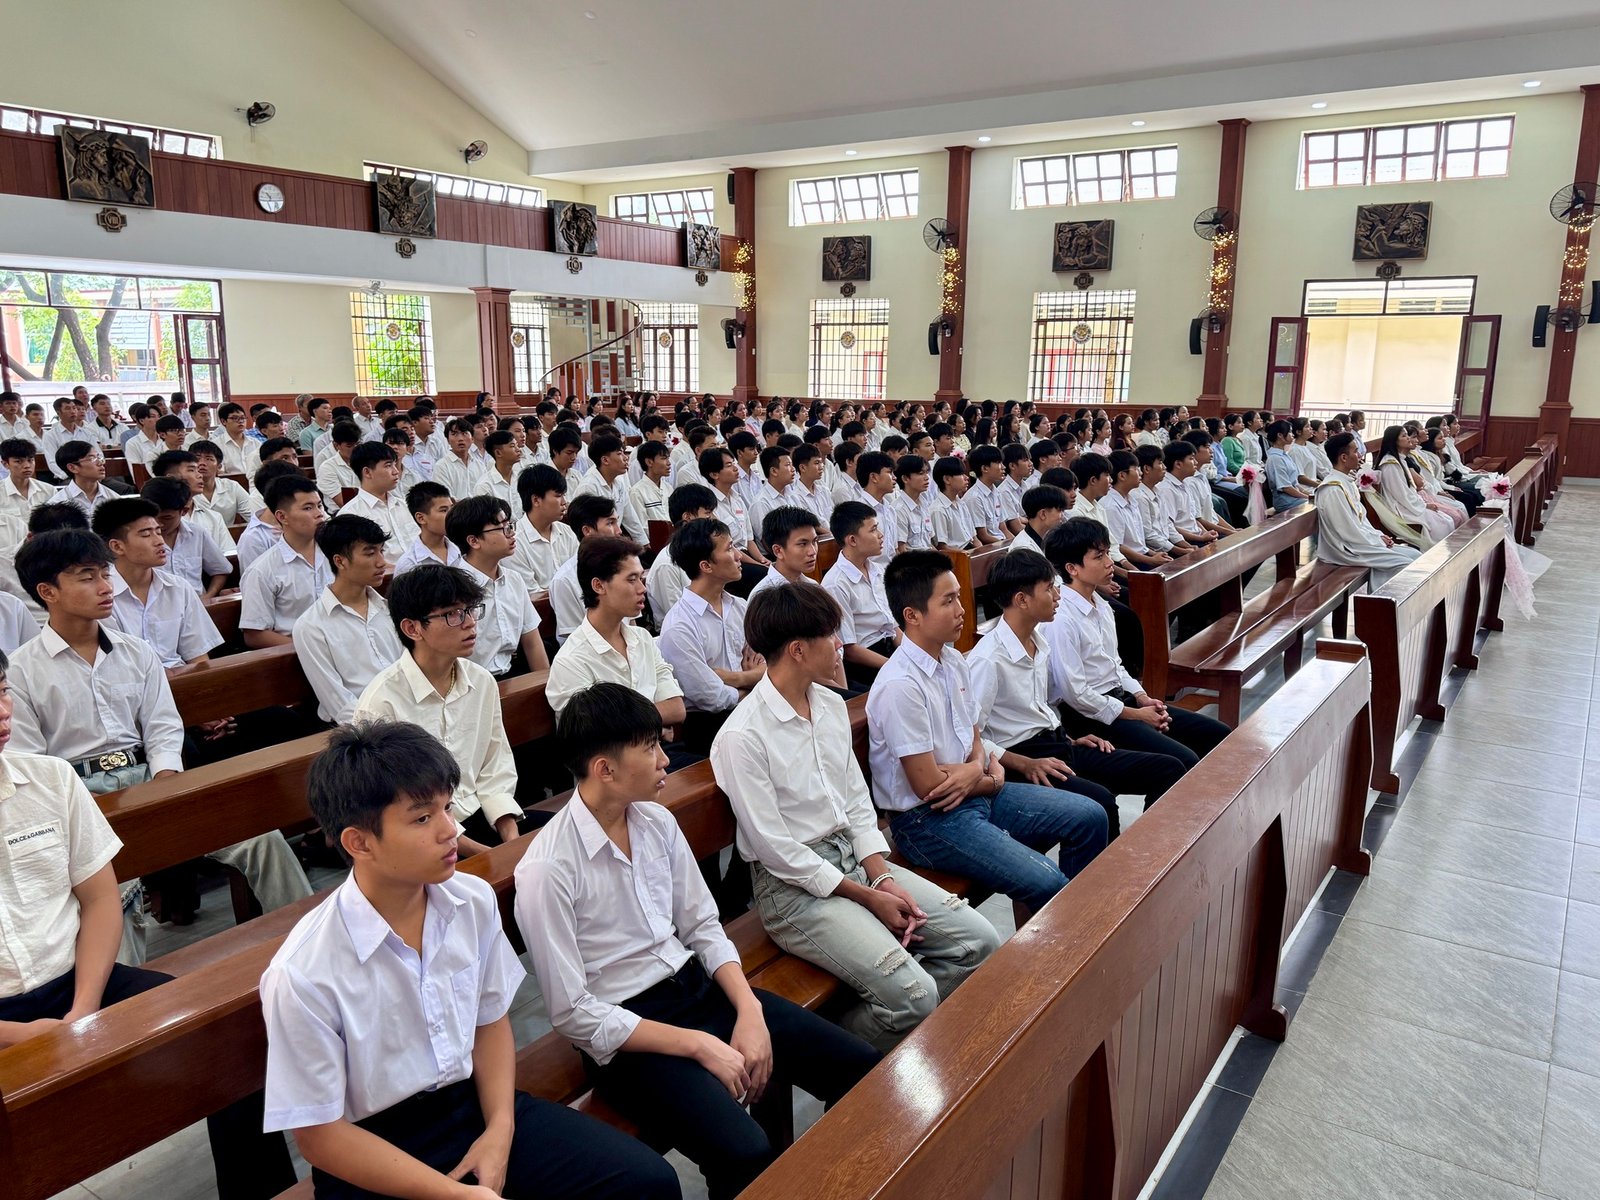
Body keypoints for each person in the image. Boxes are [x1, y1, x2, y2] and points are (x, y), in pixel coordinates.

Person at [260, 720, 679, 1200]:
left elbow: (489, 1020)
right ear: (359, 842)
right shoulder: (304, 971)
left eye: (447, 807)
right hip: (371, 1148)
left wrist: (500, 1129)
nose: (449, 831)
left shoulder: (471, 900)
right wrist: (456, 1194)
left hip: (473, 1106)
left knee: (648, 1183)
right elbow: (320, 1137)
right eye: (422, 819)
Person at [515, 683, 880, 1200]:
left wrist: (748, 1010)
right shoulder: (548, 868)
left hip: (695, 989)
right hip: (628, 1033)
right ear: (605, 769)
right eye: (650, 748)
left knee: (860, 1068)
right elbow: (573, 1012)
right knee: (744, 1151)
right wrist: (700, 1044)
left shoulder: (656, 821)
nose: (666, 759)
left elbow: (703, 927)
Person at [714, 583, 998, 1050]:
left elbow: (856, 803)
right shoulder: (742, 736)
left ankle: (895, 1045)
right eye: (831, 635)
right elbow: (775, 850)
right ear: (798, 650)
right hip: (792, 889)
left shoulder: (828, 704)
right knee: (914, 996)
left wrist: (881, 878)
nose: (840, 645)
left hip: (855, 860)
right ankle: (840, 1056)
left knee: (979, 943)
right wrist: (868, 897)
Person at [9, 528, 312, 938]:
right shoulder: (21, 671)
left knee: (260, 839)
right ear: (48, 592)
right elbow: (31, 760)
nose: (106, 587)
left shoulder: (136, 652)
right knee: (115, 894)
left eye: (105, 574)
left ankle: (306, 939)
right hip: (81, 797)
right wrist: (83, 807)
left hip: (149, 779)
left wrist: (166, 781)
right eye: (87, 577)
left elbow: (163, 726)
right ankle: (122, 981)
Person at [865, 551, 1108, 916]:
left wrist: (974, 769)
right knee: (1047, 881)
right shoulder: (901, 685)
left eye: (959, 597)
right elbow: (928, 786)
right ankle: (1063, 944)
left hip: (972, 793)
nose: (962, 610)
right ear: (912, 615)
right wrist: (989, 779)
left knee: (1090, 815)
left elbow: (974, 737)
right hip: (927, 821)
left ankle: (1076, 931)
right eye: (948, 601)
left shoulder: (953, 660)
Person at [968, 551, 1185, 839]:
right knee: (1100, 802)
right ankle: (1111, 869)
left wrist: (1070, 738)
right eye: (1049, 589)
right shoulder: (988, 660)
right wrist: (1025, 764)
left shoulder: (1038, 641)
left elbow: (1038, 709)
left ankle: (1152, 854)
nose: (1058, 596)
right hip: (1023, 758)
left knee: (1168, 769)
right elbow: (971, 739)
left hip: (1057, 744)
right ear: (1022, 600)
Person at [355, 565, 522, 847]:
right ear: (412, 628)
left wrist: (510, 837)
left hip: (480, 815)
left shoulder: (481, 681)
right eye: (452, 614)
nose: (470, 623)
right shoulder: (381, 703)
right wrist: (483, 854)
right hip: (420, 837)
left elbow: (495, 766)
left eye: (471, 610)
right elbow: (400, 805)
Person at [1044, 519, 1231, 767]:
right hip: (1091, 716)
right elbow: (1076, 694)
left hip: (1122, 701)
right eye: (1099, 557)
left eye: (1107, 553)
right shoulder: (1061, 619)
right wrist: (1137, 715)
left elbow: (1115, 665)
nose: (1109, 562)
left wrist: (1142, 697)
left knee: (1217, 734)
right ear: (1072, 568)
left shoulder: (1100, 605)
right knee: (1181, 761)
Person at [546, 536, 694, 766]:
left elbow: (676, 709)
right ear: (599, 586)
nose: (642, 588)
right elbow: (596, 738)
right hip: (613, 771)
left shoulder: (642, 638)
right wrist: (655, 725)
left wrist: (631, 724)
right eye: (631, 580)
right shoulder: (571, 660)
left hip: (660, 753)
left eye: (641, 578)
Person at [657, 519, 761, 752]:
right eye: (729, 549)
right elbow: (710, 695)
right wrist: (754, 684)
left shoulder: (740, 606)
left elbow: (771, 665)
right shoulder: (679, 626)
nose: (739, 556)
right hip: (710, 726)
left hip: (752, 707)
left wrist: (735, 678)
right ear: (706, 566)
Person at [293, 515, 405, 725]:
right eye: (370, 553)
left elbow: (410, 669)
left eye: (381, 551)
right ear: (340, 561)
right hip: (361, 730)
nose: (381, 562)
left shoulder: (390, 609)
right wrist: (393, 729)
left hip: (407, 714)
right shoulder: (311, 626)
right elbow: (339, 704)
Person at [94, 498, 222, 670]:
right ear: (117, 546)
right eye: (146, 535)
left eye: (158, 532)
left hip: (181, 678)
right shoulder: (100, 595)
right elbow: (113, 666)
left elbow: (197, 656)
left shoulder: (179, 588)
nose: (160, 541)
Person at [446, 495, 548, 679]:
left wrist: (543, 685)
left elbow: (532, 641)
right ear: (474, 541)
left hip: (511, 674)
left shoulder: (514, 580)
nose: (511, 534)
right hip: (470, 681)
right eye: (502, 528)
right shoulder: (451, 587)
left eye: (510, 526)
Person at [1314, 432, 1421, 584]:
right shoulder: (1332, 489)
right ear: (1343, 457)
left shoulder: (1346, 482)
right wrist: (1377, 540)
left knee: (1415, 555)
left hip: (1359, 542)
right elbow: (1347, 530)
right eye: (1356, 451)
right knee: (1404, 564)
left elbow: (1360, 519)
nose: (1360, 455)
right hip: (1345, 549)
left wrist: (1378, 535)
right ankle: (1379, 599)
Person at [240, 474, 330, 648]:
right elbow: (255, 635)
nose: (319, 514)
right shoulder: (262, 571)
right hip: (296, 652)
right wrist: (310, 650)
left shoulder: (337, 554)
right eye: (308, 508)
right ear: (282, 517)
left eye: (319, 506)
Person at [820, 501, 900, 684]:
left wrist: (909, 656)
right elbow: (849, 649)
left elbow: (893, 627)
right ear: (852, 540)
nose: (880, 535)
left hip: (889, 649)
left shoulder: (877, 570)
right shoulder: (836, 584)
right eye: (873, 530)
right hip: (864, 662)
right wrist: (894, 666)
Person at [140, 476, 231, 598]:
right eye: (152, 516)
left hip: (196, 602)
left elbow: (221, 570)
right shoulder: (137, 540)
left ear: (184, 511)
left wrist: (208, 596)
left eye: (166, 518)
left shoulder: (197, 533)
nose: (158, 523)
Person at [507, 463, 576, 590]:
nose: (564, 502)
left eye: (564, 495)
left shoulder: (567, 532)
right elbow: (531, 593)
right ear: (536, 500)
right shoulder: (515, 543)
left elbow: (579, 576)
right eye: (558, 496)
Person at [1101, 450, 1171, 569]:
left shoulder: (1132, 500)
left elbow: (1139, 544)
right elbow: (1118, 547)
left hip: (1142, 556)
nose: (1140, 472)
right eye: (1136, 469)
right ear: (1122, 475)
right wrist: (1150, 560)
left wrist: (1154, 554)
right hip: (1127, 562)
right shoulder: (1111, 506)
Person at [392, 480, 461, 576]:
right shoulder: (409, 564)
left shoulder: (461, 549)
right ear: (421, 518)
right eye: (444, 510)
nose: (452, 515)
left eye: (452, 508)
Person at [0, 436, 56, 549]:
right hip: (9, 552)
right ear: (5, 464)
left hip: (44, 548)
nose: (27, 466)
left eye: (30, 460)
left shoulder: (49, 491)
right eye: (18, 461)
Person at [48, 441, 113, 516]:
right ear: (72, 468)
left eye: (99, 457)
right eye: (92, 459)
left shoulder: (113, 499)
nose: (100, 463)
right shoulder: (57, 505)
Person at [746, 446, 794, 542]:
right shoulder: (761, 503)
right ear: (774, 471)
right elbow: (767, 541)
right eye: (788, 465)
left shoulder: (792, 495)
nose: (793, 469)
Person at [1264, 420, 1311, 513]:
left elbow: (1295, 484)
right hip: (1286, 501)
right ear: (1280, 435)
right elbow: (1286, 487)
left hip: (1293, 497)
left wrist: (1309, 494)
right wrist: (1307, 497)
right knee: (1318, 505)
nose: (1292, 434)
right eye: (1289, 432)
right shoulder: (1275, 458)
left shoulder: (1284, 455)